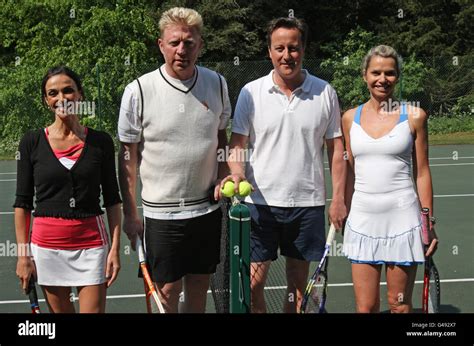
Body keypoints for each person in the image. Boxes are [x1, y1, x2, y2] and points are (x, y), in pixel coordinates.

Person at [220, 17, 347, 313]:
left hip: (307, 204)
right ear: (269, 51)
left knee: (298, 290)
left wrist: (338, 198)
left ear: (303, 49)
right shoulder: (251, 92)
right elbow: (238, 143)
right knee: (251, 286)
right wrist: (237, 172)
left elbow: (336, 148)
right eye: (280, 48)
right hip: (259, 205)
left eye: (293, 47)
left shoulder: (325, 92)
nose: (286, 55)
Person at [118, 7, 231, 313]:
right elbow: (127, 158)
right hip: (161, 216)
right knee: (166, 292)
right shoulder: (138, 90)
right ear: (161, 45)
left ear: (200, 45)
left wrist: (223, 174)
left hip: (206, 209)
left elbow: (221, 137)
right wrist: (131, 214)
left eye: (189, 42)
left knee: (199, 287)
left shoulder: (218, 83)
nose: (182, 50)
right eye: (174, 42)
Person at [14, 66, 122, 313]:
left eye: (68, 91)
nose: (61, 98)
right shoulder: (31, 142)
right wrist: (23, 256)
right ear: (46, 100)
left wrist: (115, 249)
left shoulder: (101, 142)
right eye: (53, 93)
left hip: (92, 246)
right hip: (47, 248)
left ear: (80, 94)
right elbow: (22, 204)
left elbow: (113, 201)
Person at [341, 45, 438, 313]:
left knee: (400, 306)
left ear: (397, 77)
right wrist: (340, 205)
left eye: (390, 73)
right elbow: (348, 171)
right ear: (364, 75)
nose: (382, 79)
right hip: (362, 221)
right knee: (366, 307)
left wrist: (427, 222)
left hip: (403, 221)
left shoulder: (415, 116)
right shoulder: (349, 119)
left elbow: (422, 172)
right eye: (376, 72)